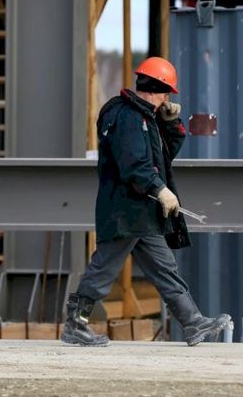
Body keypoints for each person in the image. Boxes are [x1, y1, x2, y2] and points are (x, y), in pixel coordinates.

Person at [61, 57, 230, 347]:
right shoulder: (128, 118)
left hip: (141, 212)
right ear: (154, 89)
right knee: (104, 268)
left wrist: (171, 124)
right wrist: (160, 189)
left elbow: (163, 155)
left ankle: (192, 322)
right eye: (166, 93)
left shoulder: (143, 116)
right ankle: (76, 325)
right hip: (125, 210)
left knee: (165, 268)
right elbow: (134, 165)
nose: (167, 100)